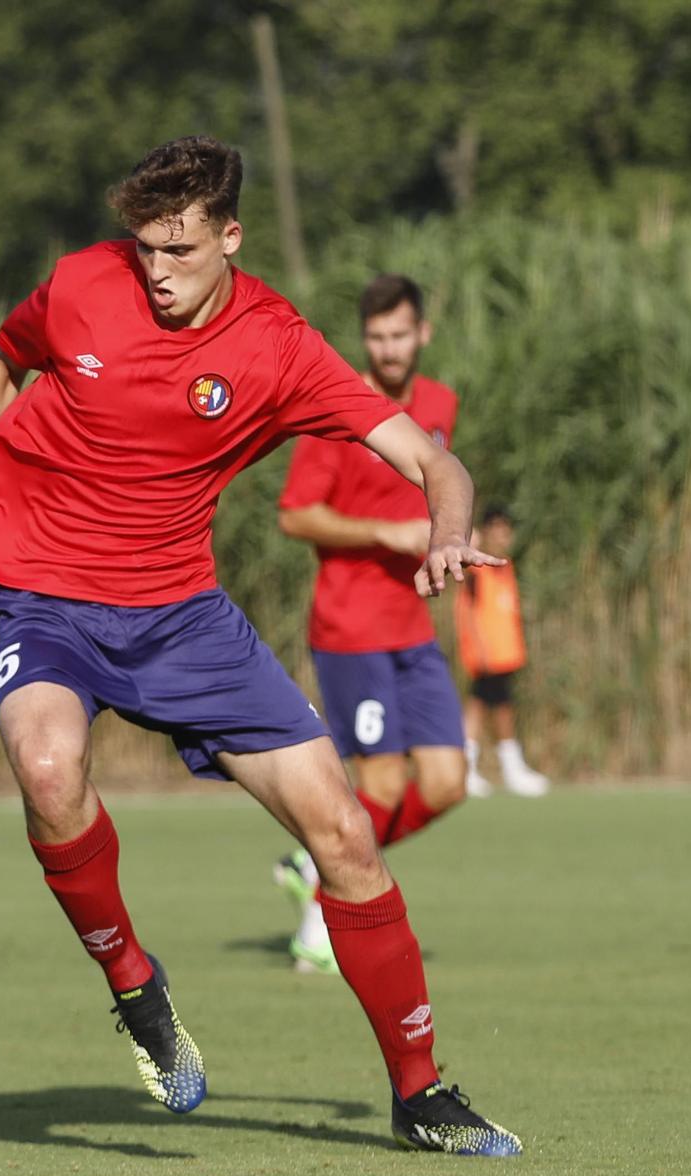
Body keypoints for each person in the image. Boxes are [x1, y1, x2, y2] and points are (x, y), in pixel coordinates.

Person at [0, 137, 520, 1155]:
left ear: (229, 236)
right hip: (42, 593)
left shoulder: (276, 346)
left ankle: (417, 1091)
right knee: (47, 771)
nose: (156, 270)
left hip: (181, 616)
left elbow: (423, 455)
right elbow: (3, 357)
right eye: (144, 247)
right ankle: (134, 982)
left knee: (345, 833)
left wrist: (448, 525)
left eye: (179, 249)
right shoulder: (81, 287)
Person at [271, 274, 470, 973]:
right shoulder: (339, 406)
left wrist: (446, 540)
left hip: (412, 627)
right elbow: (297, 513)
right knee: (381, 784)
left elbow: (444, 489)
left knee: (447, 780)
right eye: (376, 336)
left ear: (422, 333)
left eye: (399, 334)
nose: (388, 348)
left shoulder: (440, 404)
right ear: (365, 339)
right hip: (351, 626)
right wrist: (385, 534)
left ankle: (313, 859)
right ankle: (323, 915)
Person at [456, 506, 548, 796]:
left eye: (506, 530)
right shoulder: (476, 567)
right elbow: (467, 611)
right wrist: (479, 647)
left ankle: (497, 767)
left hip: (505, 652)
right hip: (487, 654)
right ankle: (485, 768)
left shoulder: (505, 565)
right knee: (485, 706)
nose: (503, 536)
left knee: (491, 705)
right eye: (496, 529)